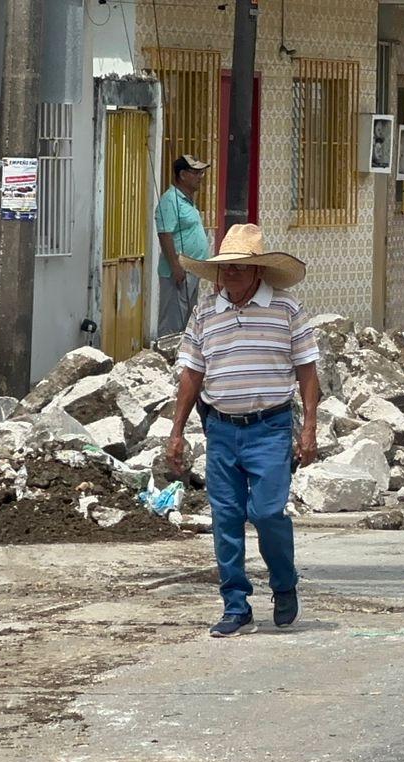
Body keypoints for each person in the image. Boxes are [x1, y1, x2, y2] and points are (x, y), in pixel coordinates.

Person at [165, 224, 321, 638]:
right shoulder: (205, 313)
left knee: (267, 512)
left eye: (237, 268)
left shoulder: (286, 309)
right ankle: (235, 605)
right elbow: (191, 374)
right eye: (223, 269)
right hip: (220, 430)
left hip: (269, 427)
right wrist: (176, 431)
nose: (228, 275)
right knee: (226, 519)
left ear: (257, 272)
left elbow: (307, 371)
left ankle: (284, 584)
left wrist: (309, 427)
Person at [156, 155, 213, 335]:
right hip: (178, 273)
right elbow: (164, 234)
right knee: (172, 324)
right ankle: (166, 360)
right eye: (196, 173)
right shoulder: (170, 200)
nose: (200, 177)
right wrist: (176, 267)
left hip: (192, 270)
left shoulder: (187, 201)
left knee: (187, 324)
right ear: (182, 175)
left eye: (201, 173)